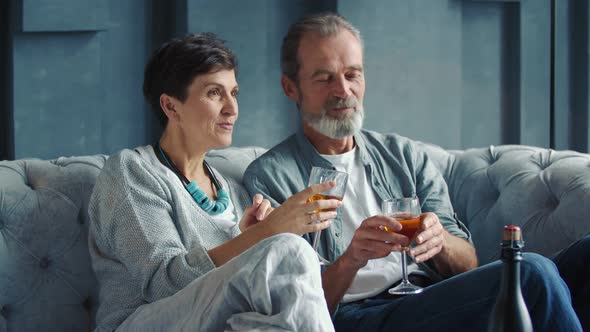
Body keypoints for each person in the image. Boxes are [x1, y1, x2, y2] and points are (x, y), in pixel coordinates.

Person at [243, 12, 588, 331]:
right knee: (530, 272)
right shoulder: (270, 177)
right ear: (291, 88)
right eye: (324, 78)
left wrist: (440, 243)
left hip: (431, 297)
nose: (343, 90)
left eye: (352, 74)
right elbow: (295, 305)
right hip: (359, 316)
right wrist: (351, 260)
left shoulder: (405, 155)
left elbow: (468, 263)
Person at [88, 33, 340, 332]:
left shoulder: (228, 186)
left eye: (233, 93)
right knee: (291, 247)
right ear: (171, 107)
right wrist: (266, 234)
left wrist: (249, 237)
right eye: (214, 93)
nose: (232, 108)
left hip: (214, 321)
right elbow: (163, 283)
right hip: (142, 322)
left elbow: (227, 285)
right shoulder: (131, 172)